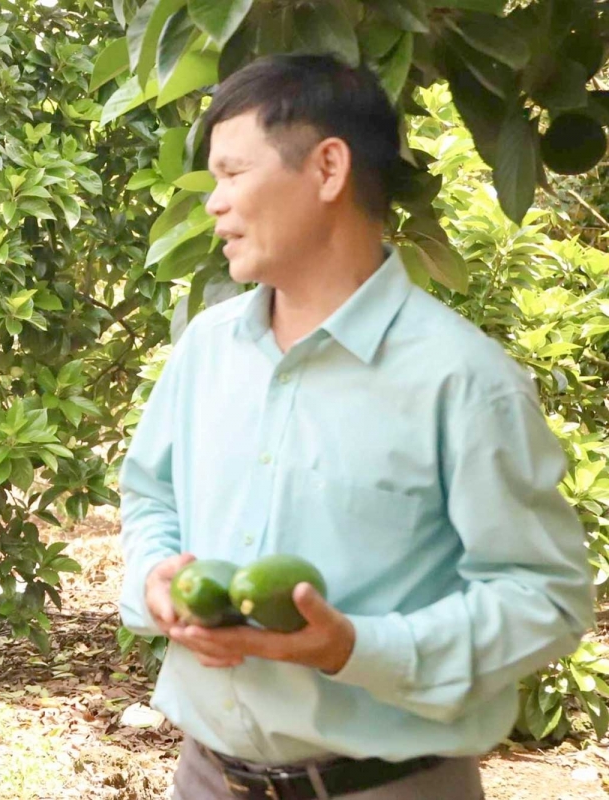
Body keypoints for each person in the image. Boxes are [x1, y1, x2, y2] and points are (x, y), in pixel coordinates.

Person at [117, 54, 595, 800]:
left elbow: (544, 598)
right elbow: (150, 499)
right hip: (205, 778)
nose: (214, 203)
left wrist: (356, 649)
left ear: (328, 168)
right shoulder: (207, 352)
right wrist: (155, 576)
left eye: (232, 173)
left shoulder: (463, 381)